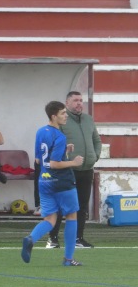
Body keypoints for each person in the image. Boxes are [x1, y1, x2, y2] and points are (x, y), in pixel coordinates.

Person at [21, 101, 84, 266]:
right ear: (53, 116)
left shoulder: (41, 132)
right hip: (62, 182)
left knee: (50, 219)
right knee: (71, 215)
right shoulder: (59, 136)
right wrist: (74, 162)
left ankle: (31, 238)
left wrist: (63, 151)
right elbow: (55, 163)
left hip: (44, 181)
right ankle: (68, 259)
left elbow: (38, 159)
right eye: (63, 113)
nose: (66, 116)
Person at [45, 91, 102, 249]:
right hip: (68, 169)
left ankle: (78, 239)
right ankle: (53, 238)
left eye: (81, 100)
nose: (79, 103)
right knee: (62, 205)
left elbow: (97, 140)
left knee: (81, 205)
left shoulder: (88, 120)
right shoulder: (62, 120)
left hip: (87, 168)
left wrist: (94, 156)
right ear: (67, 103)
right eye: (75, 100)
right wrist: (67, 160)